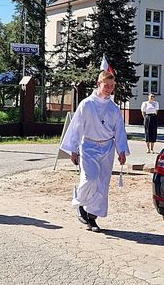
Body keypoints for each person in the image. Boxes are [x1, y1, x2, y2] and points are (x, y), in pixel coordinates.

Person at [59, 70, 129, 233]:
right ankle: (80, 202)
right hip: (89, 146)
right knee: (90, 178)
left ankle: (92, 218)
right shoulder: (87, 104)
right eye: (106, 85)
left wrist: (122, 150)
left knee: (102, 184)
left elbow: (119, 131)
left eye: (112, 86)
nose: (109, 89)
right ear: (99, 84)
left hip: (107, 148)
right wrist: (73, 149)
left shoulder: (114, 108)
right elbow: (76, 127)